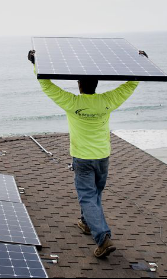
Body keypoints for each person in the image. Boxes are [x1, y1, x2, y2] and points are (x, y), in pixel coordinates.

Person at [28, 50, 141, 258]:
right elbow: (130, 85)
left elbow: (46, 85)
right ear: (96, 85)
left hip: (82, 159)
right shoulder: (107, 101)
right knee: (95, 194)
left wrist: (36, 64)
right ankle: (86, 223)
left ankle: (103, 238)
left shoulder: (73, 103)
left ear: (79, 85)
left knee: (87, 197)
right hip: (102, 157)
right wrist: (140, 61)